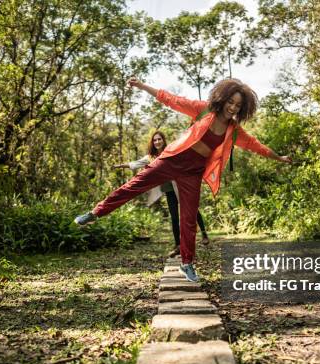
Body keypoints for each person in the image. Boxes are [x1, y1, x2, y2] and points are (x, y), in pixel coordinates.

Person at [75, 77, 292, 282]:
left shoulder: (234, 131)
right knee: (135, 185)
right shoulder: (202, 109)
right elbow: (170, 99)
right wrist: (141, 86)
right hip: (172, 159)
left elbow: (256, 145)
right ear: (222, 98)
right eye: (230, 101)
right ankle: (96, 213)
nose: (233, 107)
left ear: (243, 109)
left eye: (238, 105)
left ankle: (187, 263)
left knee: (188, 218)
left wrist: (279, 157)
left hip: (193, 172)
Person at [113, 131, 210, 258]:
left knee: (192, 210)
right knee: (174, 218)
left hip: (180, 186)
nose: (157, 142)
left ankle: (203, 233)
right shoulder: (151, 157)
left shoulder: (171, 151)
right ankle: (178, 245)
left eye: (159, 139)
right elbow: (136, 163)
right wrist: (121, 165)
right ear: (152, 143)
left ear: (164, 140)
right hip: (168, 190)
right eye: (155, 140)